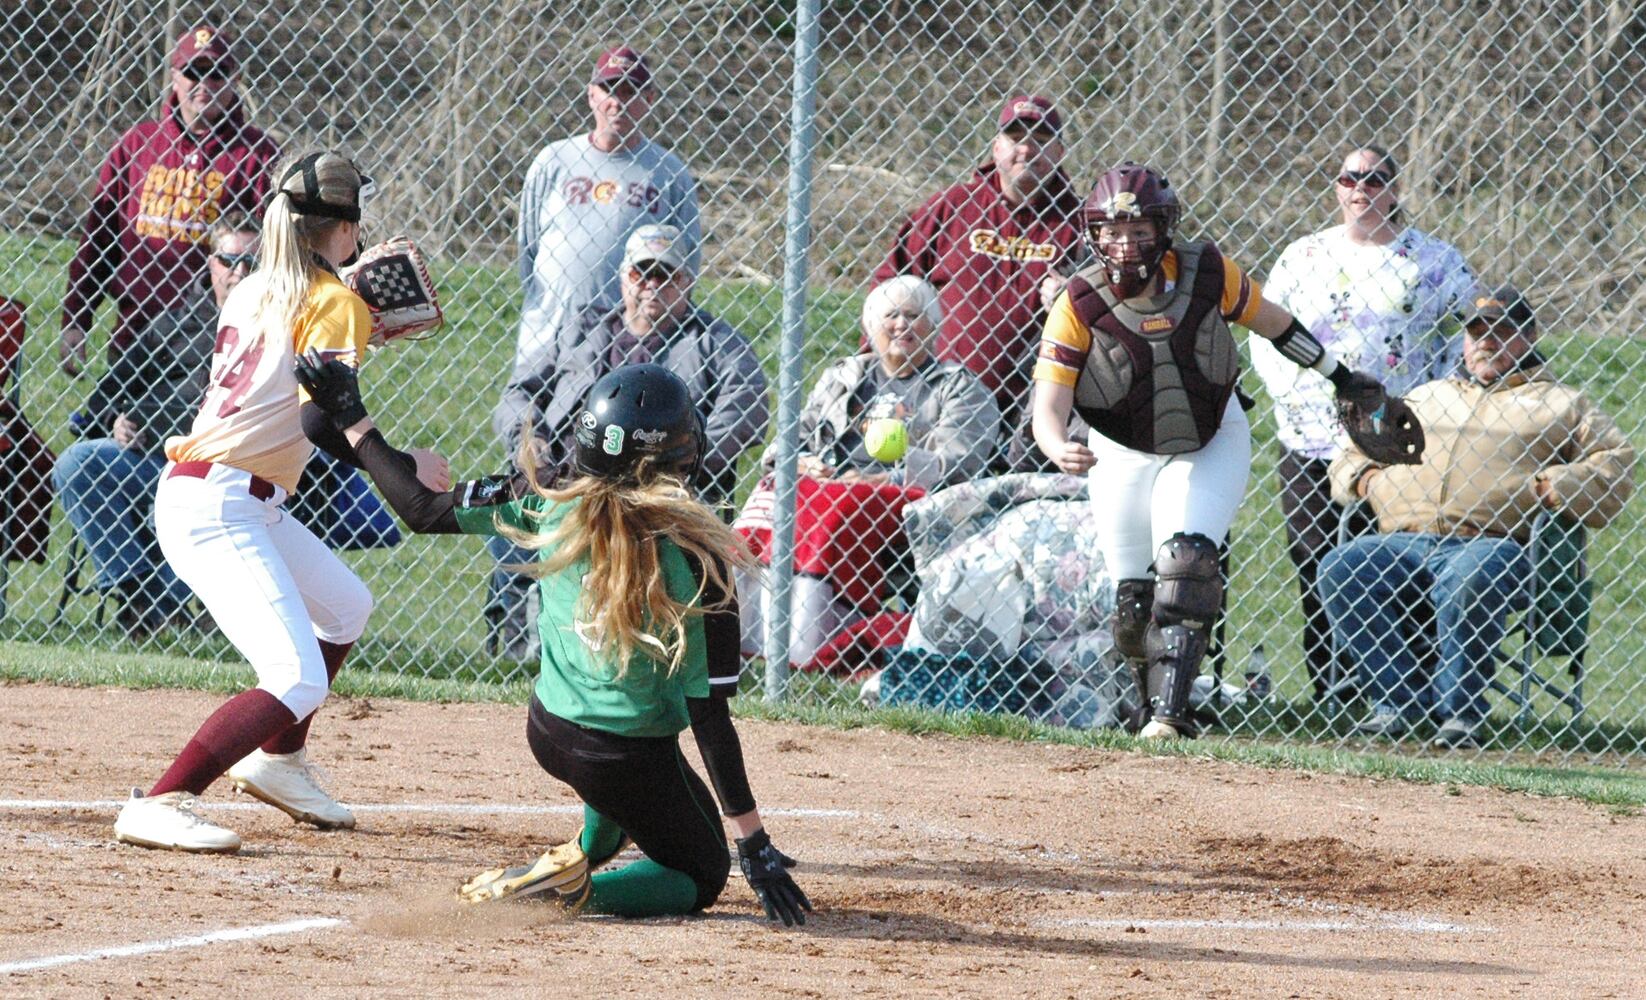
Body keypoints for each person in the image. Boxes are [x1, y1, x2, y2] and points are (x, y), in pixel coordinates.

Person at [295, 358, 811, 924]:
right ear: (676, 461)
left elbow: (421, 509)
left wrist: (353, 417)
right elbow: (710, 719)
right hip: (621, 755)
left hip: (550, 730)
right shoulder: (698, 555)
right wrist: (753, 846)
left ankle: (582, 854)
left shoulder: (544, 496)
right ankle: (569, 894)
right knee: (700, 873)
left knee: (625, 783)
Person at [112, 153, 448, 853]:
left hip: (231, 497)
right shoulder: (334, 304)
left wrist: (349, 310)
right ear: (348, 230)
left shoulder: (254, 286)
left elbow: (294, 349)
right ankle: (165, 798)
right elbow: (321, 420)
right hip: (220, 505)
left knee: (346, 605)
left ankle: (280, 760)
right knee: (293, 674)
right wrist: (408, 462)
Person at [1032, 163, 1400, 739]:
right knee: (1134, 604)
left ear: (1165, 227)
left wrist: (1341, 376)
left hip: (1208, 433)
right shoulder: (1080, 301)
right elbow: (1048, 404)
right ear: (1092, 234)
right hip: (1120, 447)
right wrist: (1056, 444)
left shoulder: (1207, 273)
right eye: (1110, 231)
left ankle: (1170, 718)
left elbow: (1276, 325)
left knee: (1186, 564)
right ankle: (1144, 705)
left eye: (1138, 229)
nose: (1124, 244)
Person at [1320, 286, 1635, 748]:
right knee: (1341, 568)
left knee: (1472, 576)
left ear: (1528, 338)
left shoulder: (1564, 402)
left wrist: (1552, 487)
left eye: (1501, 332)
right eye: (1476, 332)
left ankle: (1460, 713)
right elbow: (1352, 451)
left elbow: (1617, 464)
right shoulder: (1428, 396)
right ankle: (1397, 700)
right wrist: (1370, 481)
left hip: (1496, 543)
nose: (1486, 341)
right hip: (1403, 539)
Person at [1250, 144, 1478, 700]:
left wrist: (1430, 403)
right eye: (1349, 178)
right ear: (1336, 187)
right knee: (1315, 557)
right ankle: (1333, 684)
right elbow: (1263, 327)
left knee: (1397, 560)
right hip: (1310, 434)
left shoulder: (1433, 260)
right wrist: (1293, 393)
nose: (1361, 190)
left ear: (1395, 190)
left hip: (1395, 438)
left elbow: (1470, 335)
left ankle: (1403, 686)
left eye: (1375, 180)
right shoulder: (1303, 255)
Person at [488, 224, 768, 659]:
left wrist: (690, 459)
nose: (652, 285)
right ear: (623, 278)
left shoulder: (713, 340)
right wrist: (533, 443)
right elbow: (518, 393)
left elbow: (748, 405)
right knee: (518, 501)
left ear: (688, 281)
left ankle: (660, 652)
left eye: (667, 275)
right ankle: (519, 651)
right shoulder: (584, 327)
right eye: (642, 274)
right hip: (572, 480)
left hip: (664, 492)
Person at [739, 275, 1000, 665]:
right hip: (828, 482)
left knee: (840, 504)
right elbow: (793, 436)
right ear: (870, 326)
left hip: (902, 496)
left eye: (914, 315)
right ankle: (740, 627)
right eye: (890, 315)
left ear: (934, 326)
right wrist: (802, 461)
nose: (901, 325)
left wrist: (890, 477)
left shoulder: (958, 386)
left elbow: (958, 460)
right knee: (770, 491)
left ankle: (814, 637)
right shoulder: (845, 376)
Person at [53, 210, 260, 633]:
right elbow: (108, 392)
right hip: (148, 456)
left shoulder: (271, 330)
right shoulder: (172, 323)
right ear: (210, 262)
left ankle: (166, 603)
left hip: (223, 470)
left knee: (203, 491)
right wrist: (115, 421)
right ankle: (138, 593)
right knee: (76, 463)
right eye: (227, 259)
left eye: (249, 263)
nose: (236, 272)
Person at [60, 24, 279, 375]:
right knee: (124, 424)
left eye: (217, 73)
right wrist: (76, 318)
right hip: (137, 333)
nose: (204, 84)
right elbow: (98, 240)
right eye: (193, 72)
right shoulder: (137, 145)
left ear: (234, 79)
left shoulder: (258, 154)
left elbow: (276, 252)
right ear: (175, 77)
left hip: (214, 338)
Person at [874, 95, 1083, 449]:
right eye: (1016, 138)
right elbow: (891, 282)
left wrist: (1074, 297)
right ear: (996, 147)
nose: (1027, 150)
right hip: (941, 396)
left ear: (1060, 151)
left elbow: (1109, 300)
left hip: (1032, 400)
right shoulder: (952, 206)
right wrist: (878, 359)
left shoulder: (1078, 222)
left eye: (1041, 140)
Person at [513, 45, 701, 383]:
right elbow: (528, 250)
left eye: (631, 91)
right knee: (534, 427)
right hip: (548, 331)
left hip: (625, 341)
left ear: (650, 98)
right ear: (590, 95)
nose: (618, 101)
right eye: (609, 89)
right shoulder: (553, 161)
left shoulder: (669, 173)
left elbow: (686, 268)